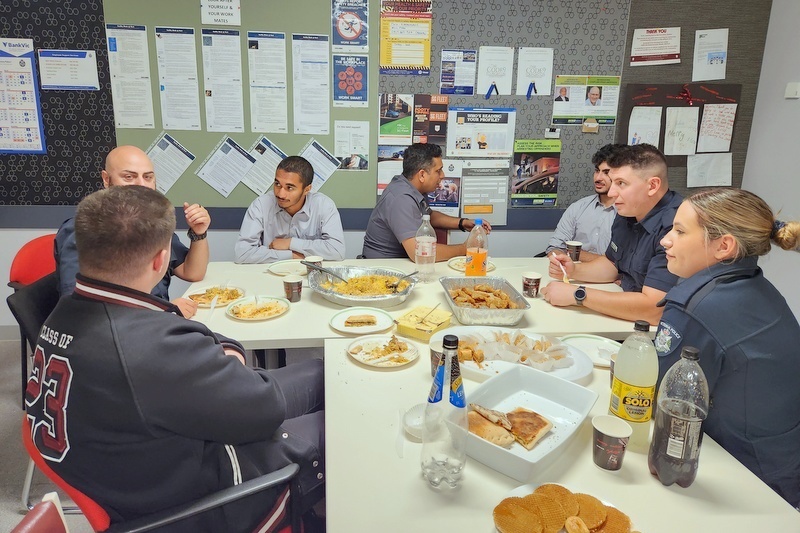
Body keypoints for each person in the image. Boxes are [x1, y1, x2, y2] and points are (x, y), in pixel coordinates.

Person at [27, 186, 325, 532]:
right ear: (160, 260)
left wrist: (218, 355)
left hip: (146, 455)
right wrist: (227, 353)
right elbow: (265, 409)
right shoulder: (147, 345)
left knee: (322, 373)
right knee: (337, 424)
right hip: (208, 500)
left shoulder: (63, 313)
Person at [654, 188, 800, 508]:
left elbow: (658, 400)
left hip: (748, 479)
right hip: (785, 462)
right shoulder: (760, 288)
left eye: (679, 232)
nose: (665, 240)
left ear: (724, 246)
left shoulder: (694, 306)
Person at [54, 145, 209, 319]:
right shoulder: (86, 229)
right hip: (119, 333)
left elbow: (192, 272)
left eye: (148, 177)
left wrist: (199, 233)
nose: (141, 186)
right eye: (129, 177)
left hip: (155, 323)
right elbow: (81, 310)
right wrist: (163, 309)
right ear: (106, 179)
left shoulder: (152, 221)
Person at [541, 144, 682, 325]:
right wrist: (574, 271)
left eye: (621, 183)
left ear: (653, 185)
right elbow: (611, 264)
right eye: (613, 182)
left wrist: (578, 294)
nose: (612, 193)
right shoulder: (629, 212)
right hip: (626, 316)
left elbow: (654, 310)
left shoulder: (677, 225)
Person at [362, 143, 490, 260]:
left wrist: (462, 223)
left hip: (401, 263)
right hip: (384, 269)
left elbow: (428, 216)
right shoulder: (401, 198)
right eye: (438, 171)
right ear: (422, 175)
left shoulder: (412, 188)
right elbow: (419, 252)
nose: (442, 175)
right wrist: (465, 248)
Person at [235, 155, 345, 263]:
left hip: (311, 273)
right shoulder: (260, 205)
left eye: (289, 187)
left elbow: (337, 251)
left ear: (307, 189)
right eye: (277, 184)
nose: (280, 194)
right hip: (269, 275)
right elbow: (243, 253)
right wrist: (292, 255)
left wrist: (290, 243)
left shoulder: (324, 205)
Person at [544, 143, 622, 261]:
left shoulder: (630, 213)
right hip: (573, 273)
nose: (598, 178)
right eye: (597, 171)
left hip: (611, 278)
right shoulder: (578, 207)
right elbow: (555, 247)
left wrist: (575, 254)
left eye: (606, 172)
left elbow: (624, 263)